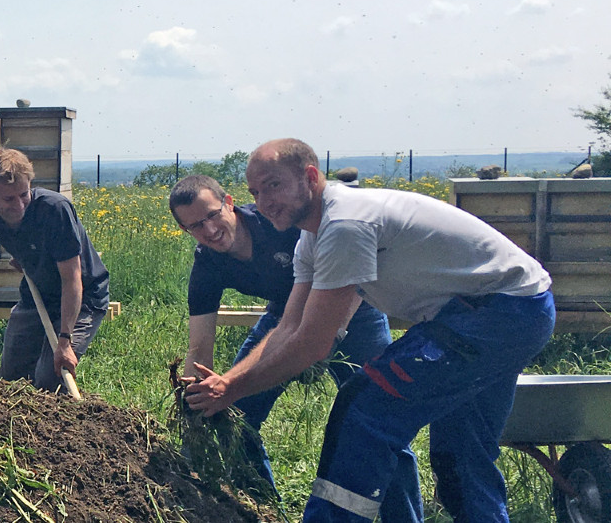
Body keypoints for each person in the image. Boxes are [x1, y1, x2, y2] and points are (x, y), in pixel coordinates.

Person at [185, 139, 555, 523]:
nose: (263, 201)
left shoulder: (344, 223)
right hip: (508, 310)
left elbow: (313, 342)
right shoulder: (311, 238)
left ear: (310, 177)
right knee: (461, 451)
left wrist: (233, 390)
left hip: (499, 312)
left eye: (273, 185)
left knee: (365, 410)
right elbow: (288, 326)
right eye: (256, 192)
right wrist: (228, 384)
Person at [167, 174, 410, 510]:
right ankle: (265, 510)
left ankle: (403, 516)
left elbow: (354, 264)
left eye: (211, 215)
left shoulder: (278, 224)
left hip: (354, 307)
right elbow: (200, 344)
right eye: (194, 226)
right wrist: (196, 403)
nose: (208, 231)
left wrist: (331, 332)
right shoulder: (208, 263)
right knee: (236, 410)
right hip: (285, 315)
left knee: (380, 417)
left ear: (229, 203)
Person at [0, 148, 109, 393]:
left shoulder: (54, 211)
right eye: (9, 199)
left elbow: (72, 279)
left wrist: (64, 341)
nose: (20, 205)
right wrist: (23, 253)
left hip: (83, 297)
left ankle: (65, 428)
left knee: (49, 380)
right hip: (37, 294)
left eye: (24, 194)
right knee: (9, 382)